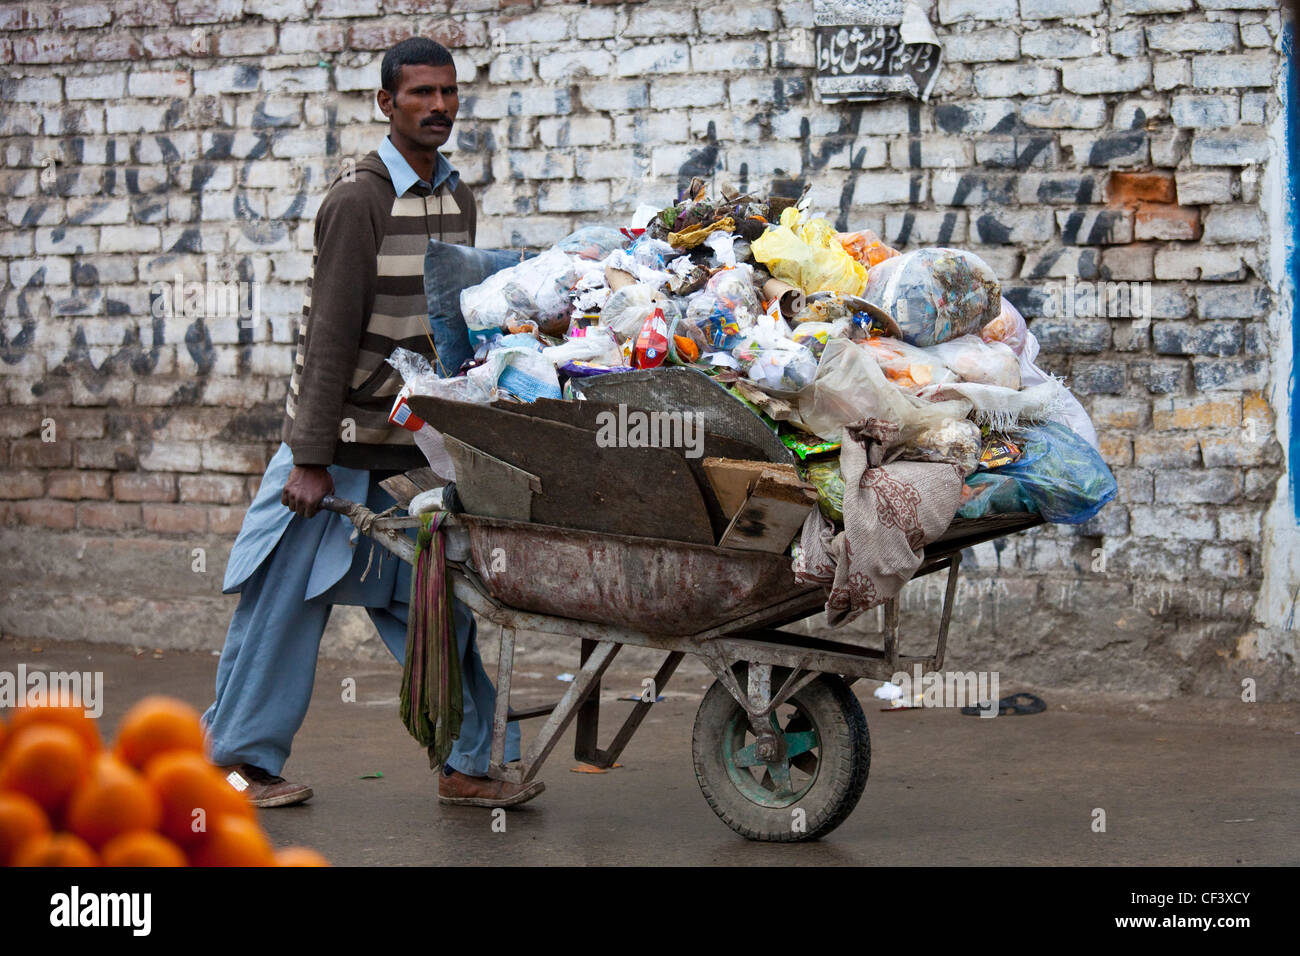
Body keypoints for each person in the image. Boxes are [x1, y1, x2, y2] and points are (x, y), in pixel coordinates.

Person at [201, 37, 543, 810]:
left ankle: (469, 764)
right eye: (421, 93)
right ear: (387, 103)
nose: (438, 107)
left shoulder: (455, 197)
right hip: (336, 448)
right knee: (281, 609)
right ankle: (235, 766)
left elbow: (449, 326)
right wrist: (308, 459)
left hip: (410, 451)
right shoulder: (358, 201)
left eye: (448, 92)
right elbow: (329, 336)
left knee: (439, 614)